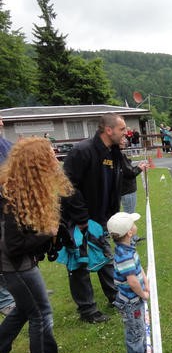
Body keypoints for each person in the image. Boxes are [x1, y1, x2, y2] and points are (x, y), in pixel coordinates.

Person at [0, 137, 78, 353]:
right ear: (37, 163)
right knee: (41, 313)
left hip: (15, 263)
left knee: (24, 309)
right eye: (50, 156)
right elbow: (13, 246)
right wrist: (48, 234)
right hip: (16, 267)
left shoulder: (20, 187)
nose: (55, 159)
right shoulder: (12, 195)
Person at [61, 113, 126, 323]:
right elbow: (67, 186)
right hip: (78, 220)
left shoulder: (113, 152)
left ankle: (114, 296)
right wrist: (81, 218)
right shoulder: (83, 151)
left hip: (101, 218)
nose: (126, 133)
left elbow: (114, 182)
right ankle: (87, 310)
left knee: (105, 256)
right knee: (80, 263)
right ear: (109, 130)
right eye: (122, 129)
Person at [107, 212, 149, 353]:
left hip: (135, 299)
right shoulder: (124, 256)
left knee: (139, 327)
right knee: (134, 331)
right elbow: (132, 282)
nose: (135, 225)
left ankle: (143, 349)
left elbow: (138, 268)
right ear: (129, 232)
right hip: (131, 302)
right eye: (133, 223)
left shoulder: (128, 247)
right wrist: (143, 294)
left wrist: (145, 281)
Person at [0, 116, 15, 317]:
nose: (2, 122)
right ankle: (4, 299)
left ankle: (17, 291)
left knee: (11, 248)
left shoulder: (6, 144)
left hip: (9, 206)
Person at [120, 137, 148, 242]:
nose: (124, 141)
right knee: (129, 215)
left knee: (129, 214)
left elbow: (128, 170)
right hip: (127, 189)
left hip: (126, 188)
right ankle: (130, 239)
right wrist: (139, 168)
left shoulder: (119, 154)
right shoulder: (119, 155)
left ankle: (133, 237)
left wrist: (137, 167)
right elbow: (129, 173)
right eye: (122, 139)